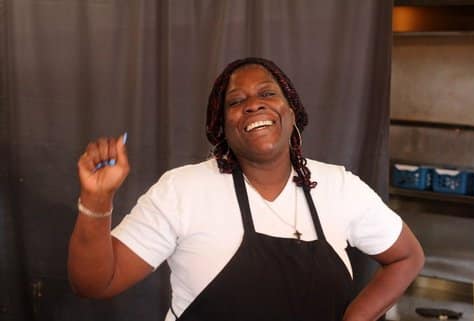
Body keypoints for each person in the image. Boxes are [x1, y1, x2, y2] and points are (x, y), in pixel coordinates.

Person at [68, 57, 424, 321]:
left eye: (268, 93)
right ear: (221, 126)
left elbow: (407, 256)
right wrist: (96, 199)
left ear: (291, 111)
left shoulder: (340, 188)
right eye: (236, 102)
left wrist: (357, 317)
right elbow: (96, 283)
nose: (254, 104)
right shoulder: (183, 190)